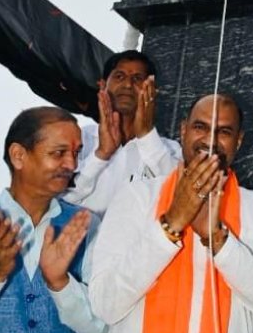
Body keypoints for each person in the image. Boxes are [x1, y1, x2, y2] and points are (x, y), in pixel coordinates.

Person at [88, 92, 253, 333]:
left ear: (238, 141)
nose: (210, 140)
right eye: (200, 127)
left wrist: (218, 240)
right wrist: (171, 223)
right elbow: (106, 303)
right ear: (183, 130)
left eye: (223, 131)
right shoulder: (136, 198)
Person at [0, 106, 106, 333]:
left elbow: (99, 326)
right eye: (58, 153)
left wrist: (60, 284)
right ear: (18, 156)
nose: (71, 164)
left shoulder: (84, 225)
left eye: (76, 153)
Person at [65, 48, 181, 214]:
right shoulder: (78, 140)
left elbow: (180, 200)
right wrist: (100, 156)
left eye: (137, 78)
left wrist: (147, 137)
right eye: (119, 76)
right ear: (103, 86)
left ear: (152, 90)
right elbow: (55, 201)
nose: (128, 85)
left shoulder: (171, 150)